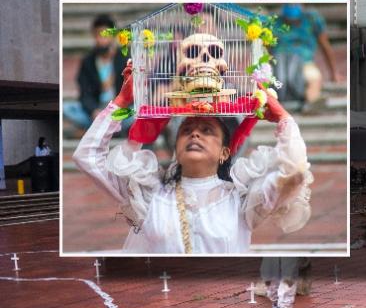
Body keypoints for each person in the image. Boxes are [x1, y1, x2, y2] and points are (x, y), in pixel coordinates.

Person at [73, 62, 312, 254]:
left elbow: (294, 173)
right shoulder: (148, 193)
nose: (195, 133)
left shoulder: (241, 197)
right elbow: (86, 157)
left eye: (207, 130)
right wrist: (121, 102)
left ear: (225, 152)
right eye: (186, 130)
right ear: (176, 147)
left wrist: (284, 118)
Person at [64, 14, 129, 133]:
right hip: (97, 111)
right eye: (98, 34)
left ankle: (108, 128)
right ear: (94, 36)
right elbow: (85, 94)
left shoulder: (125, 58)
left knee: (138, 110)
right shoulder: (88, 62)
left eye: (106, 34)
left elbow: (132, 91)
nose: (102, 39)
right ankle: (107, 128)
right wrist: (94, 110)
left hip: (120, 111)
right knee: (67, 108)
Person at [272, 4, 340, 112]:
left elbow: (325, 46)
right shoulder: (274, 21)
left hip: (304, 62)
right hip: (279, 62)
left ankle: (311, 102)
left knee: (314, 78)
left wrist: (333, 73)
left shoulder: (312, 19)